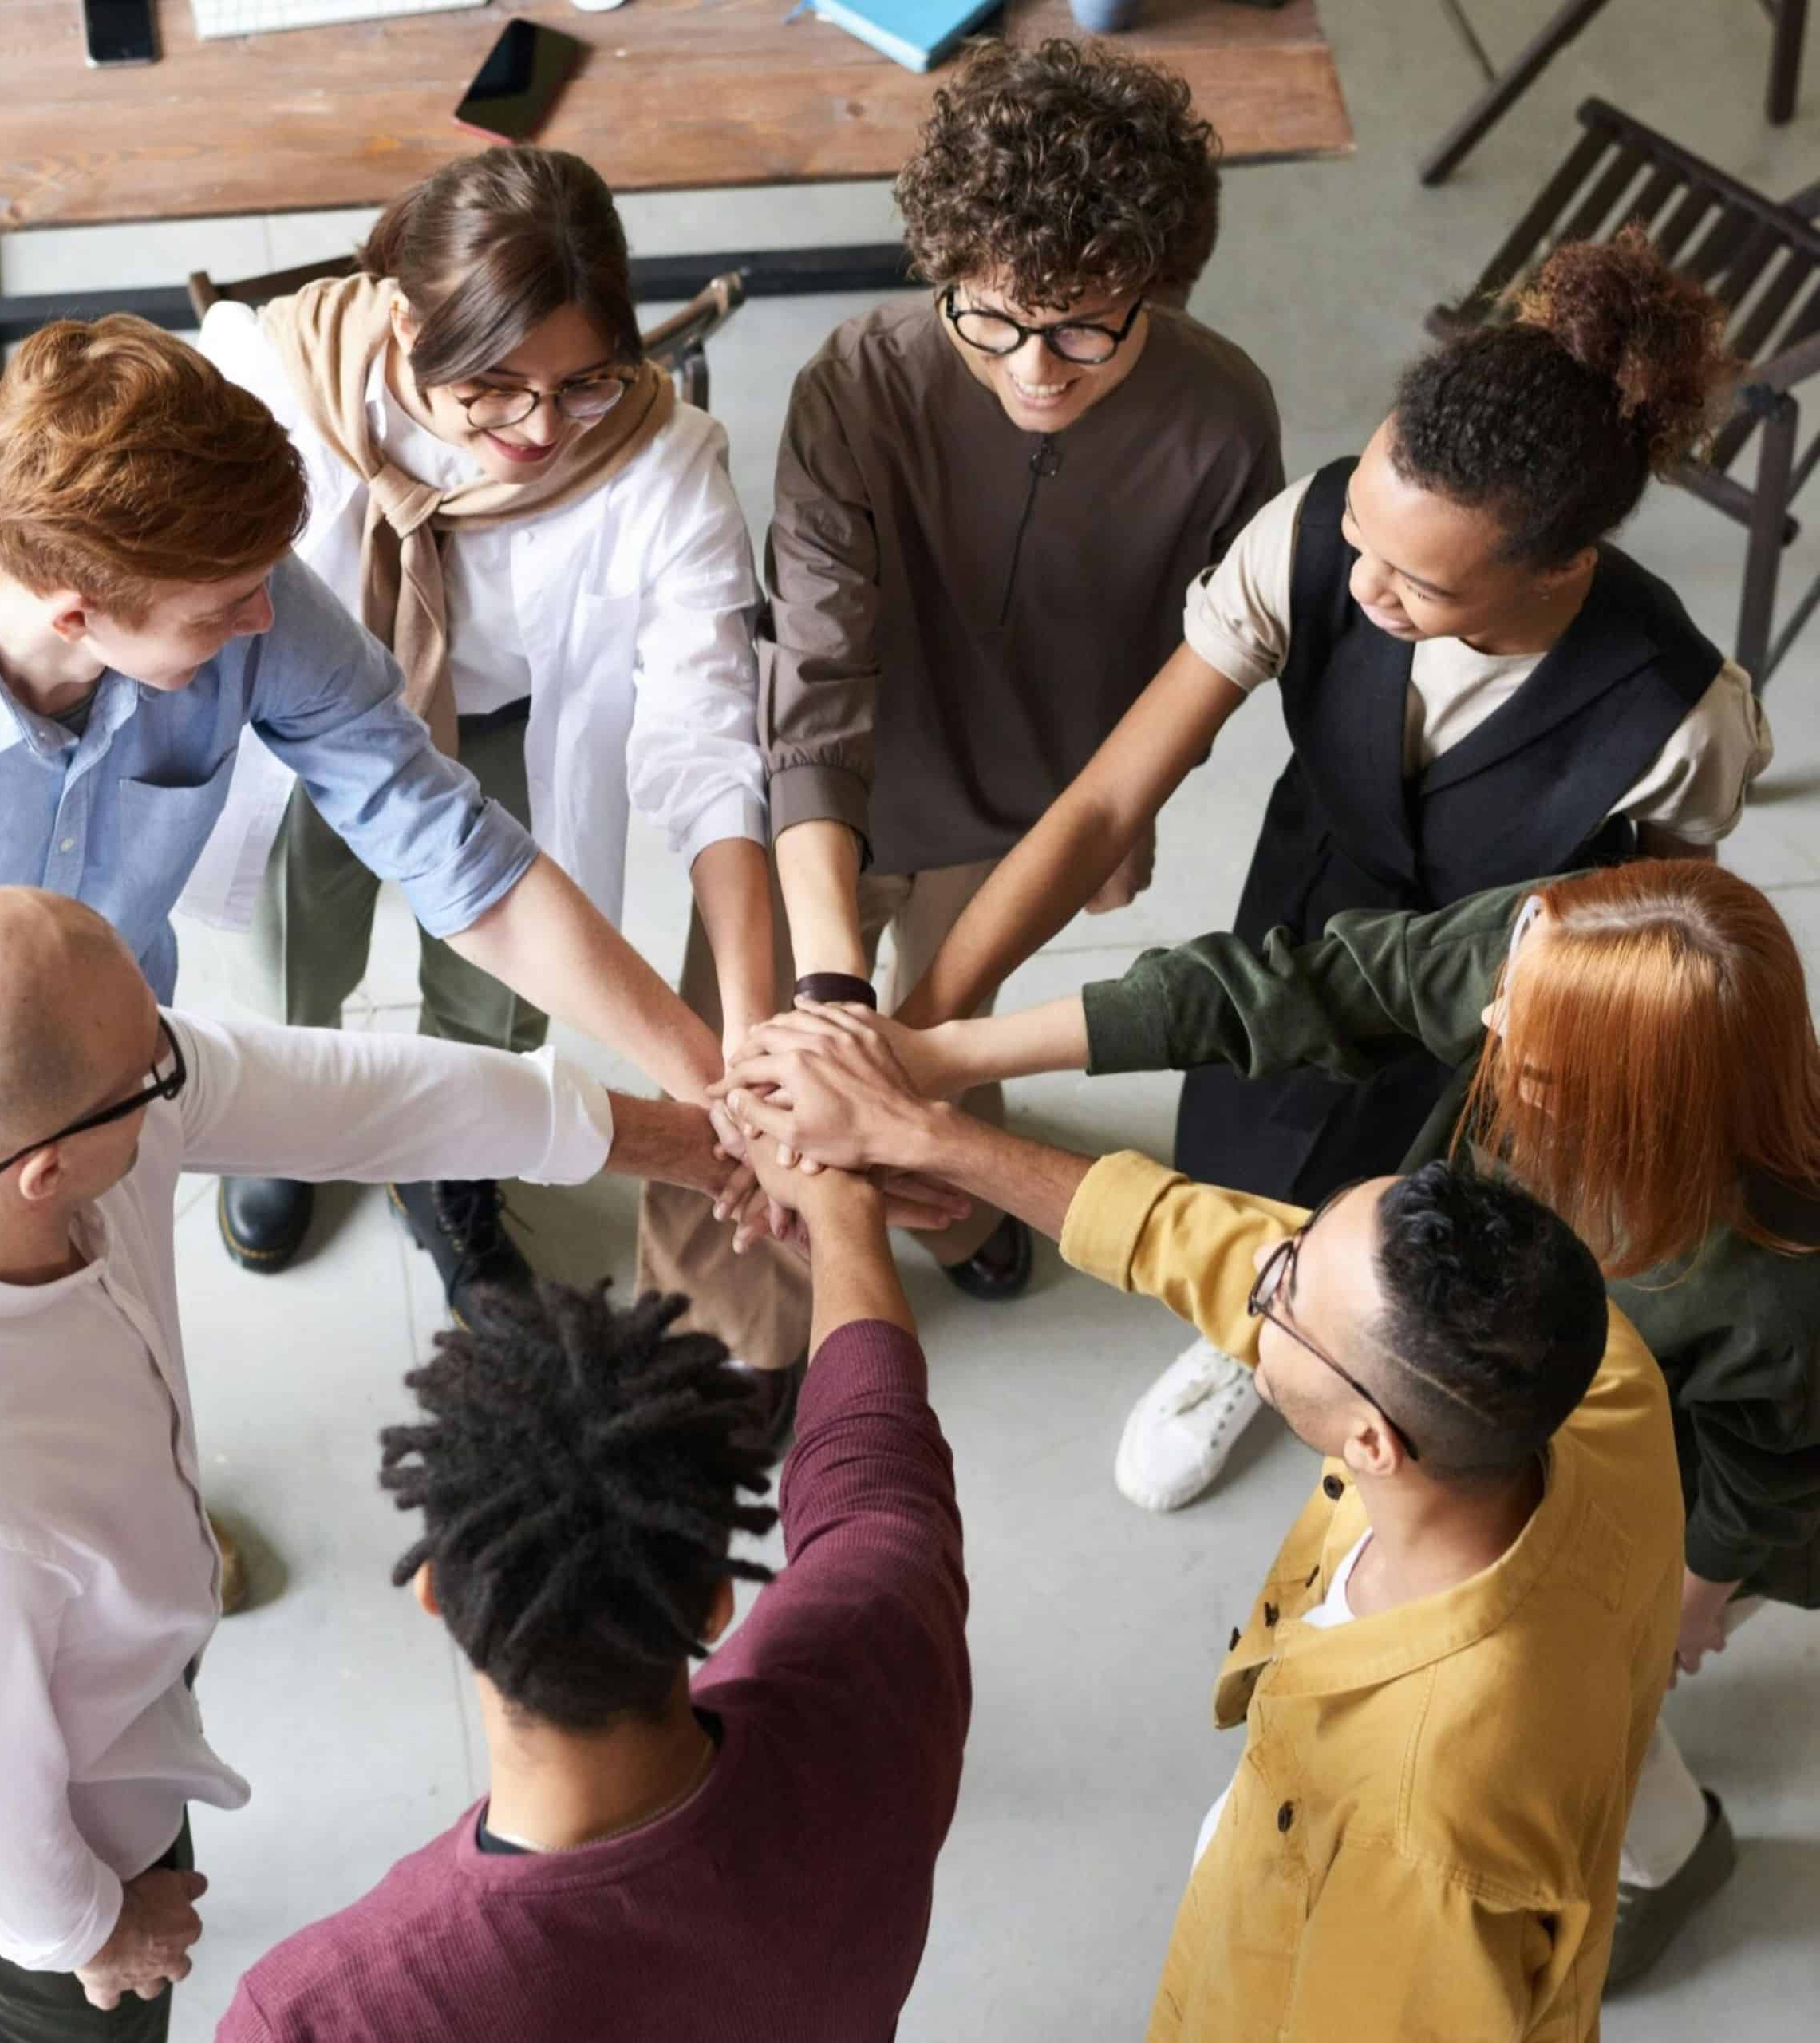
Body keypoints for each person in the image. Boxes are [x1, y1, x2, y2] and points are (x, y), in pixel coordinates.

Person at [0, 884, 775, 2041]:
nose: (179, 1065)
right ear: (44, 1171)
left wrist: (681, 1145)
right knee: (48, 1980)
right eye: (151, 1071)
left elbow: (351, 1098)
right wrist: (94, 1932)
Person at [894, 226, 1771, 1510]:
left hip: (1492, 1014)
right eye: (1361, 531)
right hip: (1304, 914)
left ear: (1562, 566)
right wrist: (923, 1030)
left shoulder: (1682, 715)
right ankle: (1247, 1334)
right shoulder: (1308, 537)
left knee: (1415, 1235)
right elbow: (1101, 806)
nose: (1363, 589)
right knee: (1245, 1135)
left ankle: (1347, 1371)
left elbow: (1662, 940)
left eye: (1419, 583)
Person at [862, 857, 1818, 1986]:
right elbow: (1302, 990)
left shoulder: (1770, 1289)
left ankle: (1671, 1855)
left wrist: (1683, 1605)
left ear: (1631, 1104)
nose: (1490, 1018)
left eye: (1532, 1055)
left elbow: (1761, 1483)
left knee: (1603, 1706)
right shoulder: (1551, 958)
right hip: (1508, 1448)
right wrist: (941, 1068)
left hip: (1702, 1510)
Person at [717, 1003, 1683, 2039]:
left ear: (1370, 1443)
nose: (1258, 1274)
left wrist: (845, 1215)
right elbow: (1210, 1242)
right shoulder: (1589, 1378)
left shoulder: (1416, 1836)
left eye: (1286, 1290)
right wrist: (920, 1135)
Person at [0, 312, 748, 1326]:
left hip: (115, 1084)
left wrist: (710, 1083)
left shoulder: (237, 582)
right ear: (76, 617)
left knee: (126, 1337)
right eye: (220, 613)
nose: (264, 622)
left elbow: (448, 846)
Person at [638, 38, 1284, 1377]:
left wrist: (1116, 833)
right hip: (828, 805)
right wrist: (831, 996)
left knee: (954, 1043)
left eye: (1085, 326)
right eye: (988, 318)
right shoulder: (858, 382)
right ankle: (730, 1330)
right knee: (754, 1062)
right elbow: (816, 684)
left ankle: (954, 1203)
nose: (1036, 367)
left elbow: (1194, 671)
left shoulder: (1224, 418)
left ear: (1157, 283)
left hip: (1034, 810)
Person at [181, 147, 774, 1302]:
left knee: (500, 989)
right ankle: (285, 1117)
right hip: (303, 716)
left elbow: (705, 737)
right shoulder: (271, 376)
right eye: (496, 387)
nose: (542, 429)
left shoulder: (663, 461)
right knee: (293, 942)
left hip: (507, 719)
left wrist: (741, 1031)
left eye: (585, 383)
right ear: (407, 326)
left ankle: (454, 1157)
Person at [214, 1137, 969, 2040]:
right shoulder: (882, 1662)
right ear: (715, 1598)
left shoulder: (318, 2017)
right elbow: (877, 1471)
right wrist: (844, 1214)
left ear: (437, 1593)